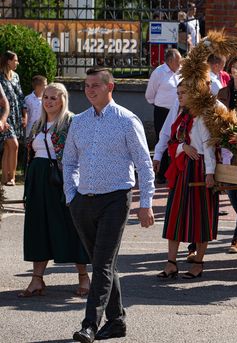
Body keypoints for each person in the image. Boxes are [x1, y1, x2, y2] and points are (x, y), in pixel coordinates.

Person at [64, 68, 155, 343]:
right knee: (104, 264)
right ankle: (117, 322)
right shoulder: (79, 122)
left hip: (115, 199)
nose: (90, 90)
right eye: (87, 86)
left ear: (110, 87)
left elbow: (144, 163)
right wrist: (71, 196)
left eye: (95, 86)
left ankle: (90, 324)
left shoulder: (127, 120)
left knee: (102, 263)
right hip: (83, 202)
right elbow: (68, 161)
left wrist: (146, 202)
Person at [19, 83, 90, 298]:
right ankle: (37, 279)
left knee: (70, 226)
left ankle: (83, 276)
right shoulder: (37, 124)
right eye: (46, 98)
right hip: (37, 178)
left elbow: (81, 152)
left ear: (63, 100)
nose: (48, 102)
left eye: (53, 98)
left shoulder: (72, 122)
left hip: (61, 179)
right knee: (37, 228)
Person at [157, 78, 219, 280]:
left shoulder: (201, 117)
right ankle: (171, 262)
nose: (179, 96)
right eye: (178, 93)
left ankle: (199, 262)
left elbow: (209, 146)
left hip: (199, 169)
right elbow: (174, 140)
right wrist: (183, 147)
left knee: (201, 217)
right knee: (175, 216)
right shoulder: (182, 116)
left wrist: (210, 173)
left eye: (183, 93)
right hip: (184, 169)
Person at [218, 57, 237, 253]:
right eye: (235, 66)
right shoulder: (223, 92)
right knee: (232, 194)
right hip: (227, 147)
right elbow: (216, 119)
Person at [145, 48, 182, 183]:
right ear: (170, 61)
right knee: (162, 139)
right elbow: (150, 94)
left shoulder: (179, 72)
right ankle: (160, 173)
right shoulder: (159, 72)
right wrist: (158, 104)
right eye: (178, 61)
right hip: (162, 111)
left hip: (177, 111)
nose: (180, 64)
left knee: (176, 139)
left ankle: (173, 171)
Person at [0, 51, 27, 186]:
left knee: (7, 146)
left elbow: (21, 96)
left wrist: (24, 115)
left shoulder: (15, 76)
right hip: (3, 115)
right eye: (15, 60)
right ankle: (12, 178)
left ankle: (5, 178)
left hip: (15, 114)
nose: (17, 63)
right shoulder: (0, 77)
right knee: (13, 144)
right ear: (8, 61)